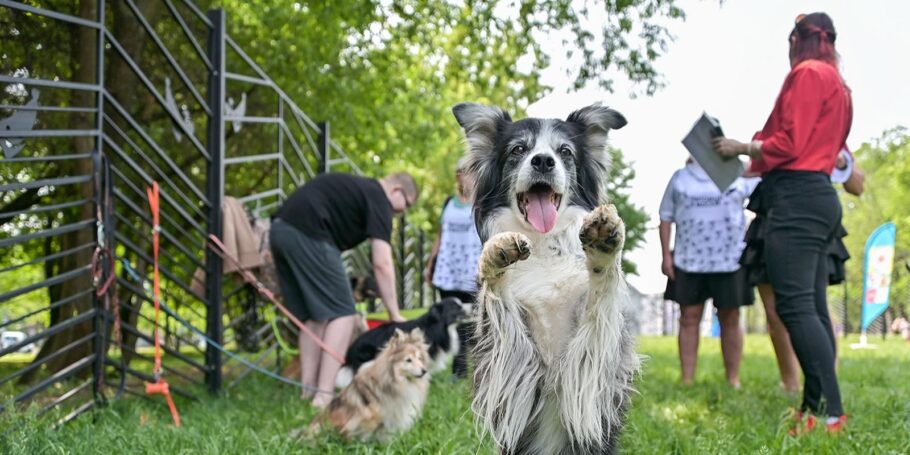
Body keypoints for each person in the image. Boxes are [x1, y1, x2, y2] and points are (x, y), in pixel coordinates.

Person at [713, 12, 851, 433]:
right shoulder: (839, 84)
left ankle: (830, 414)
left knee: (794, 307)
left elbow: (789, 143)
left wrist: (741, 145)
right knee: (811, 308)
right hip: (817, 196)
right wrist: (747, 160)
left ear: (797, 39)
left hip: (796, 200)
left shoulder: (807, 74)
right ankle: (817, 407)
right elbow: (807, 145)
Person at [270, 172, 418, 408]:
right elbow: (382, 263)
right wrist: (394, 314)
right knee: (344, 314)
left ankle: (308, 392)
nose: (401, 213)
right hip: (309, 233)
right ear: (396, 191)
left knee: (314, 317)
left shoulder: (360, 189)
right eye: (406, 205)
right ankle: (324, 395)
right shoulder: (379, 198)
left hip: (280, 231)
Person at [742, 148, 865, 394]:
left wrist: (838, 160)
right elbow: (742, 175)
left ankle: (825, 384)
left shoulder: (831, 136)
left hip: (810, 219)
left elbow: (857, 185)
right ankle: (791, 383)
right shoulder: (768, 136)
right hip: (771, 214)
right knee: (775, 312)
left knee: (813, 306)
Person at [659, 158, 758, 388]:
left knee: (730, 317)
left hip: (730, 259)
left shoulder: (736, 174)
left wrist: (738, 160)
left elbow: (761, 174)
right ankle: (687, 379)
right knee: (688, 318)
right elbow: (665, 215)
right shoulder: (680, 177)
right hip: (689, 260)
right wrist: (666, 255)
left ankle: (733, 378)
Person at [424, 158, 482, 379]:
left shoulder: (483, 203)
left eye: (471, 172)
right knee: (449, 319)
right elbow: (440, 236)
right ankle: (456, 369)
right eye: (464, 172)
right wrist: (430, 265)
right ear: (458, 176)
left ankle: (473, 367)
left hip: (473, 270)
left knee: (472, 322)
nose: (468, 176)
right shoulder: (449, 203)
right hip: (448, 270)